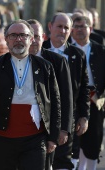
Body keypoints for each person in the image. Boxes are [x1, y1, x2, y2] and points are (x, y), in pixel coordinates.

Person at [0, 19, 61, 170]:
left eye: (23, 35)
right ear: (6, 40)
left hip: (35, 139)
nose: (18, 39)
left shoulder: (45, 67)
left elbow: (55, 103)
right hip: (2, 139)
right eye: (13, 35)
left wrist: (53, 137)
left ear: (31, 39)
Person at [43, 12, 90, 170]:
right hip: (41, 119)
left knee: (64, 162)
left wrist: (84, 116)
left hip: (67, 119)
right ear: (50, 27)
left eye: (66, 28)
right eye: (59, 27)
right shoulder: (38, 52)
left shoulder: (78, 55)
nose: (62, 31)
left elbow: (84, 88)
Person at [71, 16, 105, 170]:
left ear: (90, 29)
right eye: (76, 26)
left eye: (83, 26)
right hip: (73, 101)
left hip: (95, 99)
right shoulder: (65, 49)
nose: (79, 30)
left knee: (94, 140)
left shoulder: (101, 49)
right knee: (73, 141)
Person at [27, 19, 73, 170]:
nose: (34, 41)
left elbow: (66, 96)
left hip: (48, 128)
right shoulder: (11, 62)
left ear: (44, 37)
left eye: (37, 36)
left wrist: (64, 129)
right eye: (30, 36)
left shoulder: (57, 61)